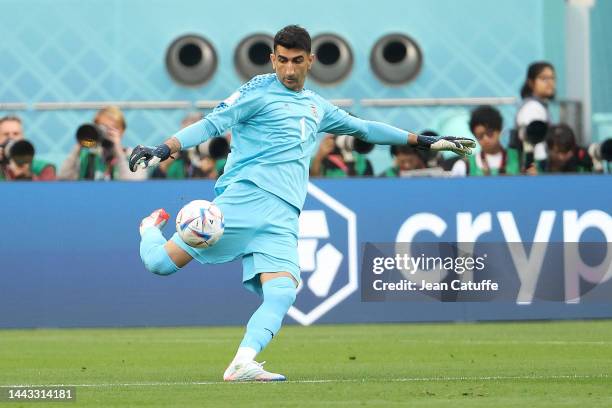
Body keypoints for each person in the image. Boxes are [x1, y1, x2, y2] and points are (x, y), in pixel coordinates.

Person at [129, 25, 474, 382]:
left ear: (310, 61)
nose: (289, 70)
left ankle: (243, 362)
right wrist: (165, 147)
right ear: (271, 59)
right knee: (159, 263)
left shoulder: (316, 106)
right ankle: (148, 228)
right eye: (282, 61)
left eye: (297, 61)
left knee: (282, 291)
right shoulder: (256, 92)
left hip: (282, 218)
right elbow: (212, 124)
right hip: (243, 201)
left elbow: (366, 128)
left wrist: (427, 141)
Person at [58, 106, 147, 180]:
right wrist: (81, 143)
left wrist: (118, 151)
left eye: (112, 128)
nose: (106, 133)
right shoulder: (88, 156)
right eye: (102, 128)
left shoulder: (135, 156)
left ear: (122, 131)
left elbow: (135, 186)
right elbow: (63, 178)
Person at [452, 106, 520, 176]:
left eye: (489, 134)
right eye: (480, 136)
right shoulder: (463, 166)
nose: (485, 139)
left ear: (500, 131)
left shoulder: (519, 158)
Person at [513, 61, 556, 173]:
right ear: (531, 82)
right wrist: (538, 166)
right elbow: (534, 141)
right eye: (544, 78)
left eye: (552, 78)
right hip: (535, 167)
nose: (550, 82)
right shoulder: (533, 107)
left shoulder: (539, 105)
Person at [0, 115, 56, 180]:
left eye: (16, 134)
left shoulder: (43, 168)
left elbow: (48, 189)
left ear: (23, 137)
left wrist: (26, 176)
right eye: (6, 134)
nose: (11, 138)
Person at [309, 133, 373, 177]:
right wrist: (320, 155)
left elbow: (367, 187)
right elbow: (313, 188)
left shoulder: (363, 163)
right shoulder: (317, 160)